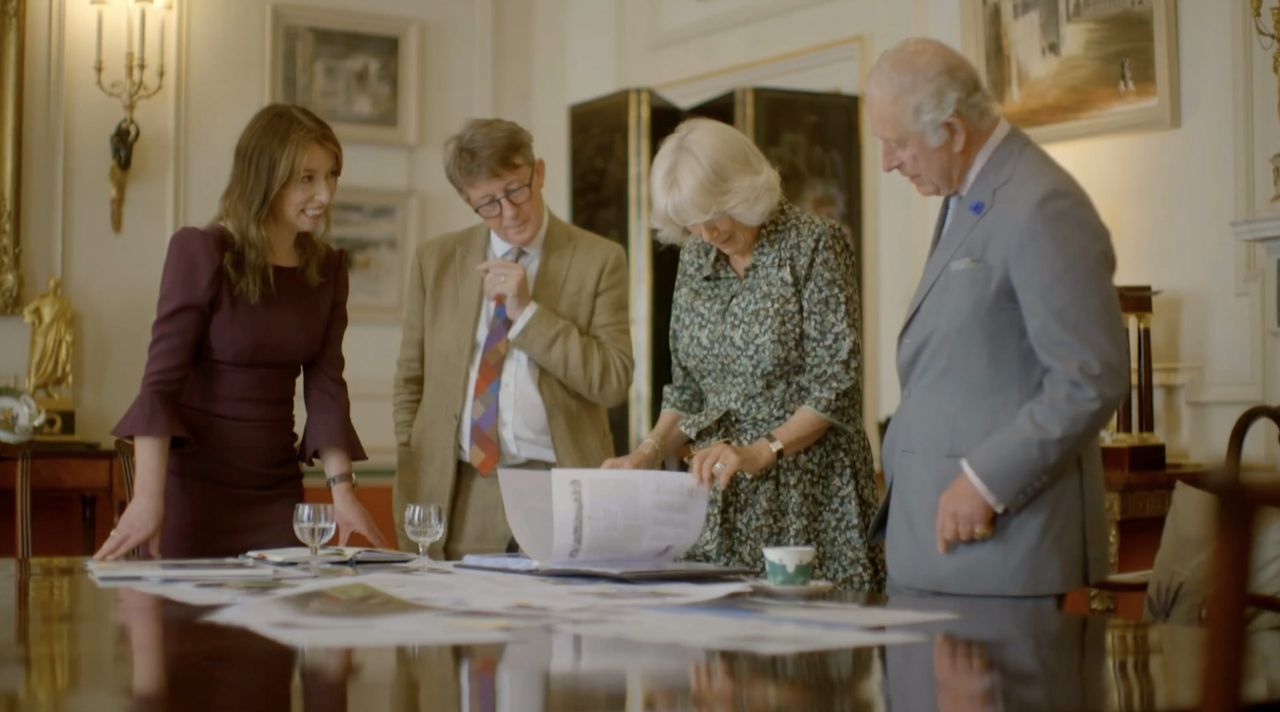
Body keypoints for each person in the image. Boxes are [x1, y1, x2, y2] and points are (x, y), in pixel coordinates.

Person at [864, 38, 1129, 599]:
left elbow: (1090, 378)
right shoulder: (969, 193)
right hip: (943, 555)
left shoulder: (1042, 204)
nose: (888, 162)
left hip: (1008, 552)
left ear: (953, 132)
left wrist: (986, 481)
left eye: (898, 145)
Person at [95, 104, 387, 560]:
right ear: (264, 176)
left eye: (331, 176)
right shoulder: (201, 250)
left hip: (277, 496)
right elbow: (160, 386)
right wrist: (148, 499)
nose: (325, 194)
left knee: (276, 629)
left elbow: (326, 386)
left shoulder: (328, 269)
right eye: (306, 178)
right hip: (193, 494)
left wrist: (343, 494)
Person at [604, 117, 885, 592]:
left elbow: (836, 384)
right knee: (727, 647)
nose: (707, 230)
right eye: (691, 219)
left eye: (714, 212)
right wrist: (648, 453)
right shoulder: (697, 257)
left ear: (743, 190)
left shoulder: (814, 243)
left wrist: (760, 451)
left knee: (809, 653)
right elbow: (690, 388)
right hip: (723, 497)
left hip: (808, 493)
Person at [393, 118, 632, 560]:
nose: (509, 212)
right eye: (488, 203)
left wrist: (528, 315)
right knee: (458, 629)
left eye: (517, 190)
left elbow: (613, 380)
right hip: (458, 490)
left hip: (558, 487)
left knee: (554, 628)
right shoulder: (437, 260)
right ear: (467, 200)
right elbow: (411, 377)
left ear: (538, 172)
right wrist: (415, 449)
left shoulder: (600, 259)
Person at [23, 276, 74, 399]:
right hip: (42, 333)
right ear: (49, 285)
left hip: (56, 334)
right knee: (37, 360)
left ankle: (49, 386)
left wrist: (67, 332)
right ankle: (32, 386)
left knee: (53, 363)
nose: (53, 287)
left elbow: (69, 318)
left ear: (58, 287)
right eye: (51, 284)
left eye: (55, 285)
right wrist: (35, 319)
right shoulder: (41, 300)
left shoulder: (64, 302)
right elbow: (27, 310)